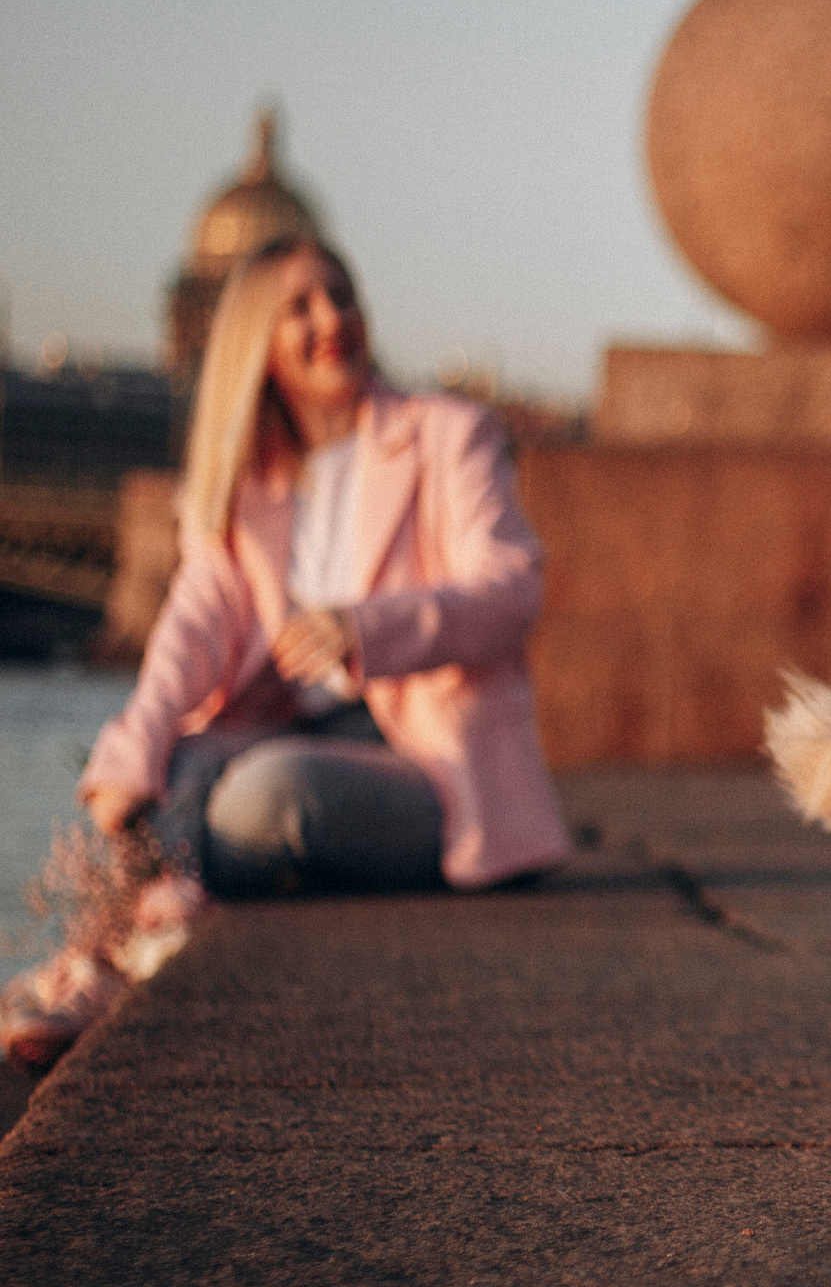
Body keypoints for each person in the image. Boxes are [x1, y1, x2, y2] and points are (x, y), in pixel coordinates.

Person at [2, 234, 568, 1069]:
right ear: (253, 343)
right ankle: (114, 953)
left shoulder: (449, 434)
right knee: (165, 766)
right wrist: (135, 746)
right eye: (298, 306)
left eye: (340, 294)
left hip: (429, 766)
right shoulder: (243, 485)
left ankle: (125, 949)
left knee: (269, 793)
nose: (330, 318)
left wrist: (365, 627)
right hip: (288, 737)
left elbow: (513, 589)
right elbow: (193, 626)